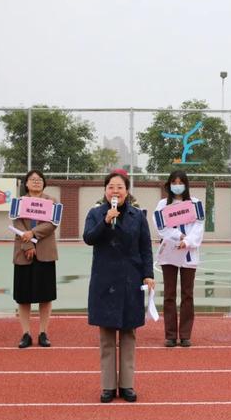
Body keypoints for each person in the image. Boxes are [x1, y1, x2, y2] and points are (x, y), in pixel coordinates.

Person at [84, 171, 155, 403]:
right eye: (111, 187)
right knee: (106, 337)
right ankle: (107, 386)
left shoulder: (137, 216)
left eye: (120, 187)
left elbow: (145, 247)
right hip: (104, 280)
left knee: (128, 334)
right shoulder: (96, 213)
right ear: (105, 191)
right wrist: (106, 221)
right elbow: (89, 238)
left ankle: (127, 385)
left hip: (130, 279)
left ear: (127, 191)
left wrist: (148, 274)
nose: (115, 191)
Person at [153, 170, 204, 348]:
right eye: (173, 182)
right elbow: (161, 227)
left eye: (180, 181)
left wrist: (188, 241)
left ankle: (185, 335)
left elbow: (199, 226)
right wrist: (178, 237)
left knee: (187, 294)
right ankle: (170, 335)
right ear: (169, 184)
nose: (177, 185)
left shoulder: (196, 203)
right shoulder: (161, 205)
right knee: (169, 294)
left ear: (186, 184)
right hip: (170, 254)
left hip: (189, 254)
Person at [12, 170, 59, 349]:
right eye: (32, 179)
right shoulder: (18, 202)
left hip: (45, 252)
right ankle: (25, 334)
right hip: (23, 253)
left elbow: (53, 224)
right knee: (23, 297)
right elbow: (17, 224)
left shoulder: (52, 201)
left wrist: (33, 234)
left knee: (45, 296)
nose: (36, 182)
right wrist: (28, 244)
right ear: (26, 183)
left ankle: (43, 333)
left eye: (39, 179)